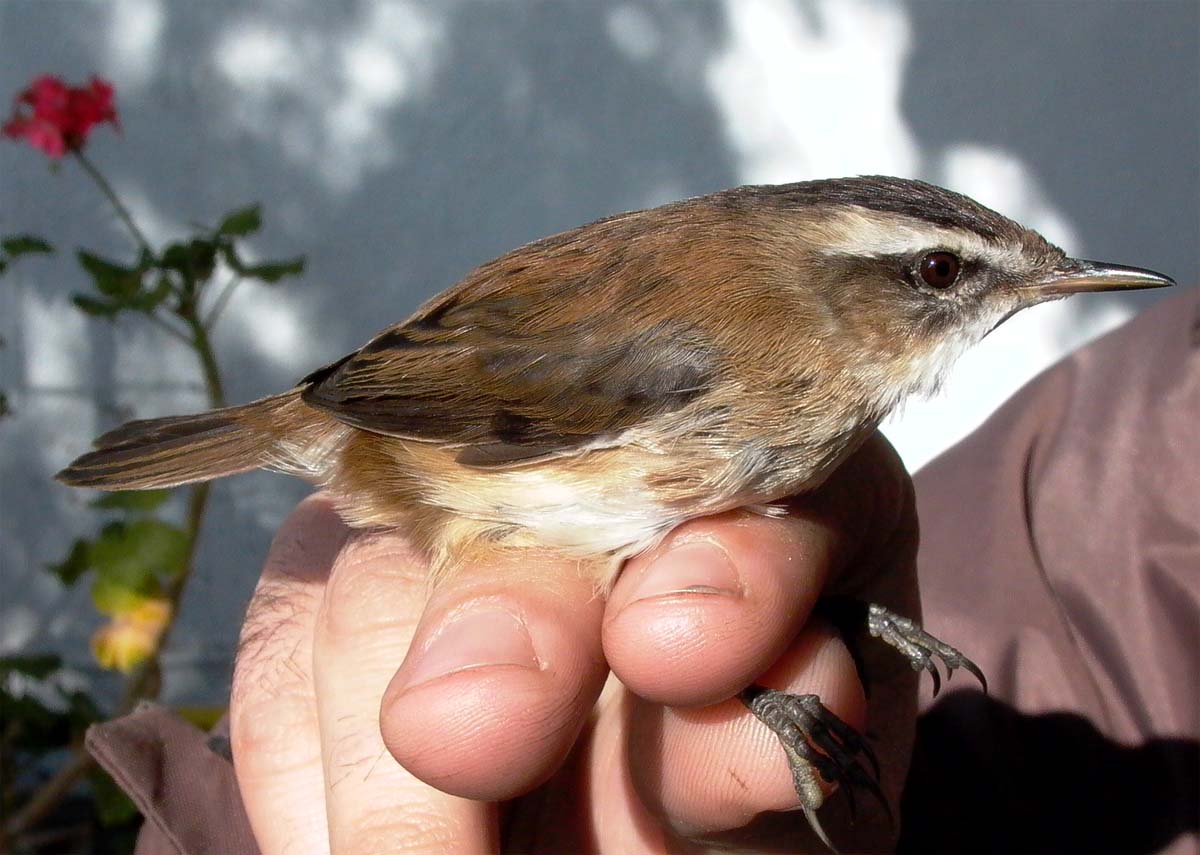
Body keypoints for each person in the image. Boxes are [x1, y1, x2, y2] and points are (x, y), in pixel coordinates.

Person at [87, 287, 1199, 854]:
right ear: (834, 293)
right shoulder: (712, 355)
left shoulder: (802, 389)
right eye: (941, 276)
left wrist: (832, 627)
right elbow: (433, 397)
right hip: (429, 430)